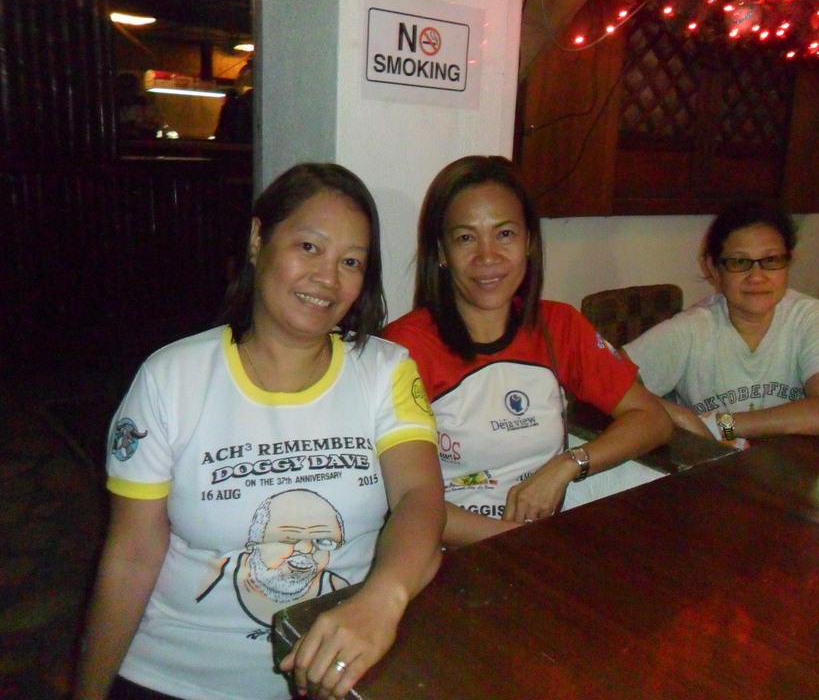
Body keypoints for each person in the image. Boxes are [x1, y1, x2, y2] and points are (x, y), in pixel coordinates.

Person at [73, 163, 445, 700]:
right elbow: (132, 553)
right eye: (309, 247)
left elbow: (419, 495)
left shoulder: (384, 369)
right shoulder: (171, 377)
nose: (327, 279)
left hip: (338, 669)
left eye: (350, 262)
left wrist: (380, 601)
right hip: (178, 675)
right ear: (257, 240)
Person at [382, 155, 703, 549]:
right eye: (466, 238)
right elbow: (402, 500)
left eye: (505, 234)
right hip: (445, 554)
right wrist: (526, 543)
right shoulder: (404, 348)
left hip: (539, 546)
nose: (488, 256)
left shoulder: (559, 325)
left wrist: (569, 464)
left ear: (529, 242)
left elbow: (651, 419)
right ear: (442, 251)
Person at [623, 200, 819, 449]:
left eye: (771, 260)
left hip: (792, 465)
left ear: (789, 261)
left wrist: (720, 425)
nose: (757, 277)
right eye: (739, 262)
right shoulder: (691, 329)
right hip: (716, 467)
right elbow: (606, 379)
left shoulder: (811, 317)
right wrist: (680, 417)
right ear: (714, 269)